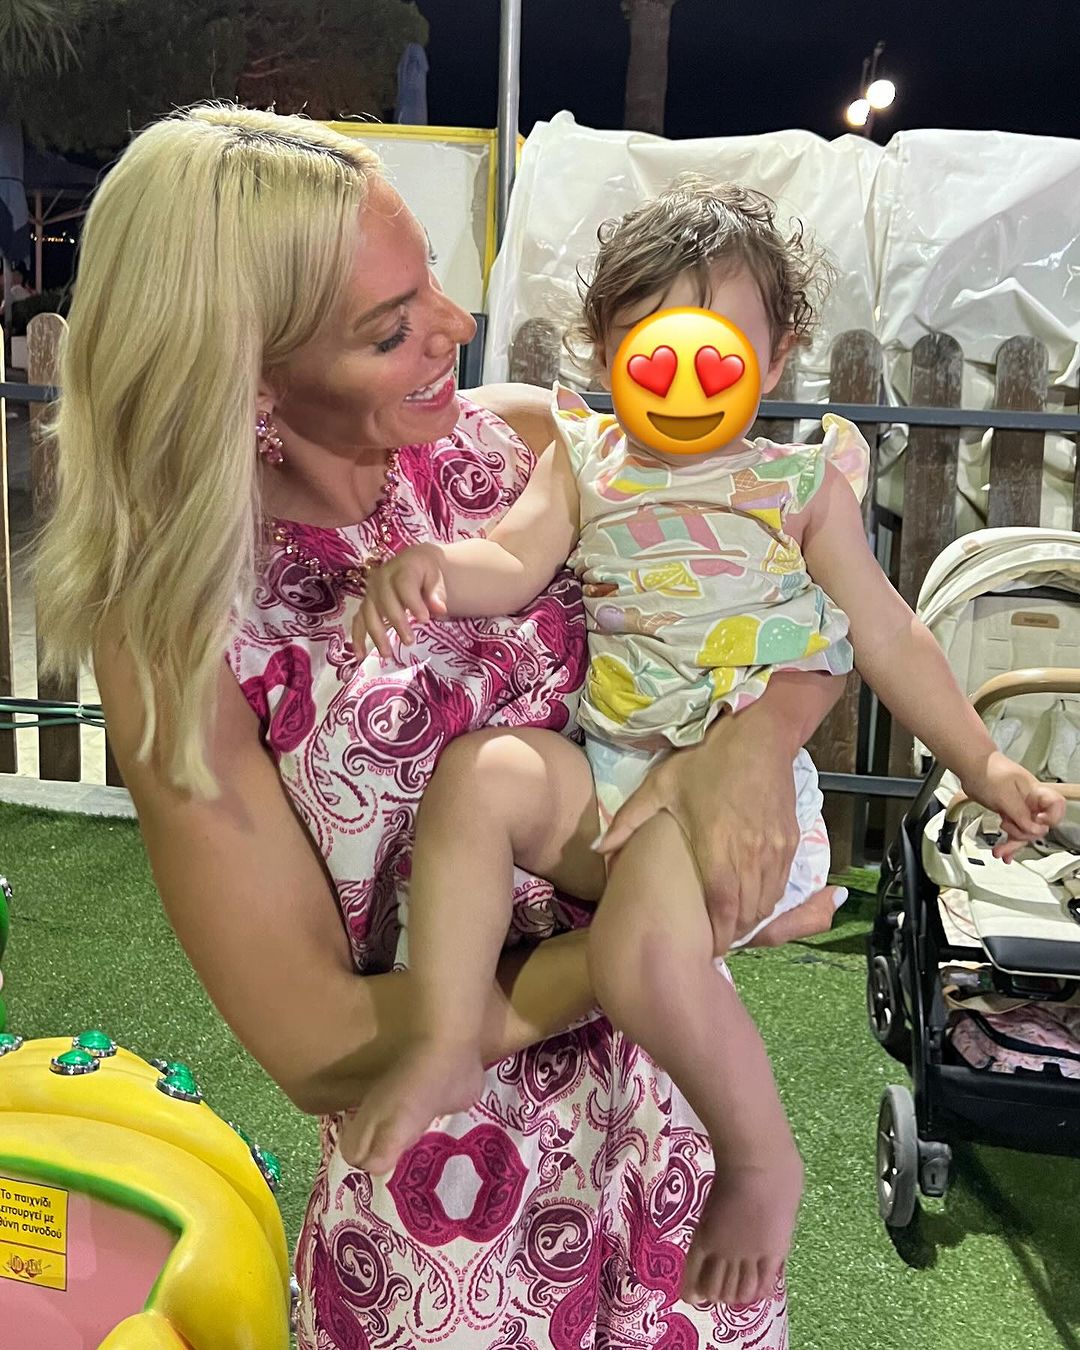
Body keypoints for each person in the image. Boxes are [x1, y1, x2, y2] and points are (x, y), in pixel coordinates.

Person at [35, 106, 855, 1349]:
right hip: (451, 1222)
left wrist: (756, 753)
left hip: (685, 1152)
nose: (456, 328)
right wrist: (651, 943)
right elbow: (316, 1044)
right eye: (389, 327)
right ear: (248, 377)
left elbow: (772, 615)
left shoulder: (526, 447)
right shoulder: (179, 633)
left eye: (431, 278)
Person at [345, 177, 1067, 1307]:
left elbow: (886, 633)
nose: (683, 378)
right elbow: (514, 560)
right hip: (609, 773)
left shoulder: (798, 486)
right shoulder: (585, 460)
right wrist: (436, 568)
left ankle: (761, 1156)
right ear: (604, 350)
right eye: (650, 344)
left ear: (775, 362)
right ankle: (444, 1033)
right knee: (481, 776)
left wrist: (984, 763)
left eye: (720, 348)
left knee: (638, 959)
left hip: (730, 798)